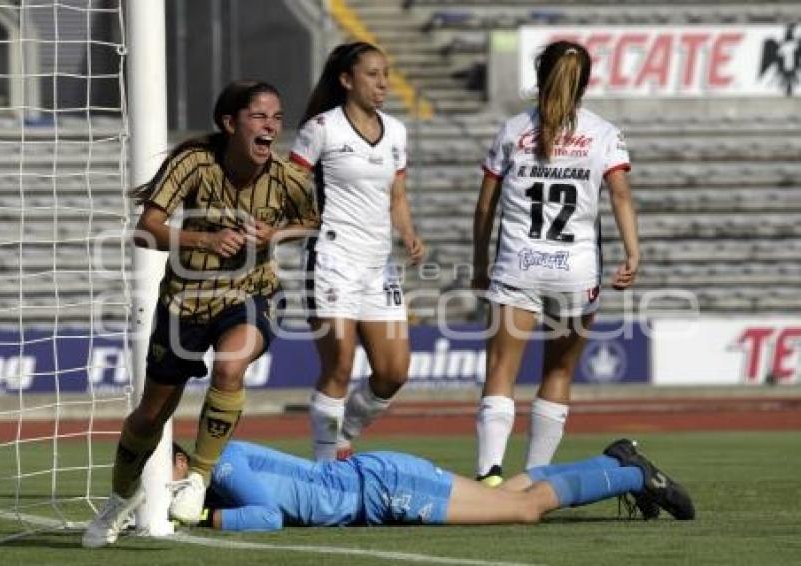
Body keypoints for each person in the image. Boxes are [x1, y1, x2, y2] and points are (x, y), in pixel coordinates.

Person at [82, 80, 318, 548]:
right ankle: (117, 500)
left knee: (231, 368)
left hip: (250, 295)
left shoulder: (289, 178)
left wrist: (277, 235)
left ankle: (199, 478)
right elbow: (146, 229)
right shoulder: (193, 162)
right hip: (184, 305)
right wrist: (203, 240)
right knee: (150, 417)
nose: (271, 126)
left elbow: (312, 221)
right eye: (259, 117)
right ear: (230, 123)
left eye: (276, 117)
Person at [472, 41, 640, 484]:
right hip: (575, 271)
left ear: (539, 74)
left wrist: (477, 262)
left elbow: (485, 206)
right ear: (585, 82)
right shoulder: (604, 133)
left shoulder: (512, 130)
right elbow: (620, 194)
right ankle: (535, 476)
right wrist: (633, 251)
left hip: (518, 265)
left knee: (501, 370)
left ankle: (489, 472)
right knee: (559, 370)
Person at [288, 42, 426, 461]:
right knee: (340, 365)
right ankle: (326, 465)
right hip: (331, 258)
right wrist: (291, 226)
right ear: (347, 80)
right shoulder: (321, 129)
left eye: (385, 73)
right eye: (372, 74)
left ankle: (345, 428)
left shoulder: (397, 132)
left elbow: (396, 194)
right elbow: (291, 185)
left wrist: (408, 233)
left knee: (394, 371)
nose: (383, 83)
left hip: (378, 265)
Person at [165, 438, 693, 533]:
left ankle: (635, 475)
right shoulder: (220, 466)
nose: (163, 487)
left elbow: (268, 517)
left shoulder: (223, 464)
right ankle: (614, 460)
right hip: (381, 481)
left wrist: (198, 518)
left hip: (383, 490)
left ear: (184, 460)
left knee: (523, 511)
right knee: (510, 496)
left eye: (164, 473)